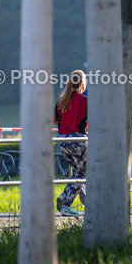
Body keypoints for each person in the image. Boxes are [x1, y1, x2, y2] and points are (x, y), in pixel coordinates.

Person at [55, 70, 88, 217]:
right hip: (78, 141)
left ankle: (65, 195)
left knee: (78, 172)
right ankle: (66, 205)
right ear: (82, 83)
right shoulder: (84, 101)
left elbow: (55, 120)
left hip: (63, 143)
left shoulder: (61, 100)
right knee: (83, 173)